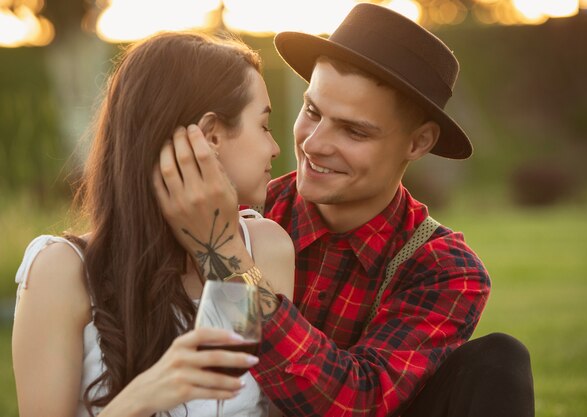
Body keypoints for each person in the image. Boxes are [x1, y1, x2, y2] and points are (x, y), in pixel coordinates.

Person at [161, 3, 535, 417]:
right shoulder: (244, 214)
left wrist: (226, 256)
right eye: (312, 111)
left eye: (354, 130)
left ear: (418, 143)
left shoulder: (447, 269)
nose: (314, 143)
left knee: (498, 360)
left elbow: (358, 403)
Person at [12, 32, 295, 417]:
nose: (275, 147)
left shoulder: (263, 249)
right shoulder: (63, 272)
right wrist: (140, 399)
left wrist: (221, 246)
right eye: (264, 125)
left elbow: (227, 398)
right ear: (210, 136)